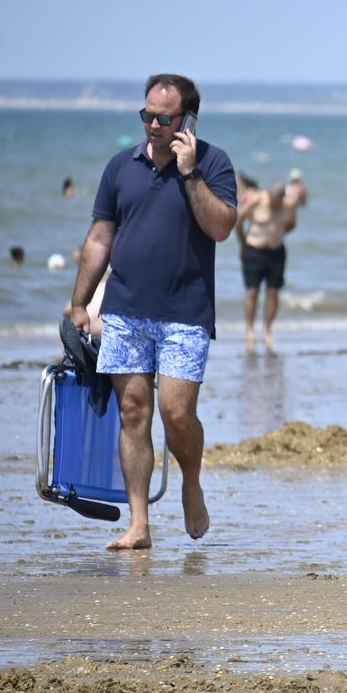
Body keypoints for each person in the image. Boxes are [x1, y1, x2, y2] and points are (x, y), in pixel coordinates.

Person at [66, 73, 237, 551]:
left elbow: (222, 227)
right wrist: (79, 301)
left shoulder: (213, 163)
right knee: (133, 410)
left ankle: (191, 482)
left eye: (165, 117)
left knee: (177, 412)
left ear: (189, 120)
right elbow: (101, 238)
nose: (155, 125)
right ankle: (139, 524)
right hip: (126, 310)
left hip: (186, 312)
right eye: (148, 115)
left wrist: (189, 174)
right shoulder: (121, 167)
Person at [237, 181, 297, 353]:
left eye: (279, 200)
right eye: (273, 199)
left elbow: (291, 224)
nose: (275, 204)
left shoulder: (288, 204)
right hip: (254, 251)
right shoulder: (257, 200)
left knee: (273, 292)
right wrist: (243, 245)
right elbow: (239, 220)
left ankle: (267, 329)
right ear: (269, 195)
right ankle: (250, 330)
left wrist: (277, 232)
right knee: (252, 291)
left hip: (276, 252)